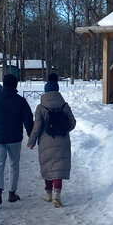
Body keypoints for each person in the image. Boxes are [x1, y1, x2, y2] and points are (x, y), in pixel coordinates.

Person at [0, 73, 34, 208]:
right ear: (15, 85)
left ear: (3, 85)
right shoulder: (21, 101)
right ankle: (12, 193)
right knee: (13, 165)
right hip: (15, 138)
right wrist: (32, 137)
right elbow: (28, 121)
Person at [27, 72, 77, 208]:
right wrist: (63, 131)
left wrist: (31, 142)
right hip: (62, 140)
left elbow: (37, 127)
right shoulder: (64, 106)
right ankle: (57, 196)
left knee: (48, 167)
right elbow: (72, 123)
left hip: (46, 141)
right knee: (58, 169)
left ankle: (48, 194)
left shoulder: (41, 107)